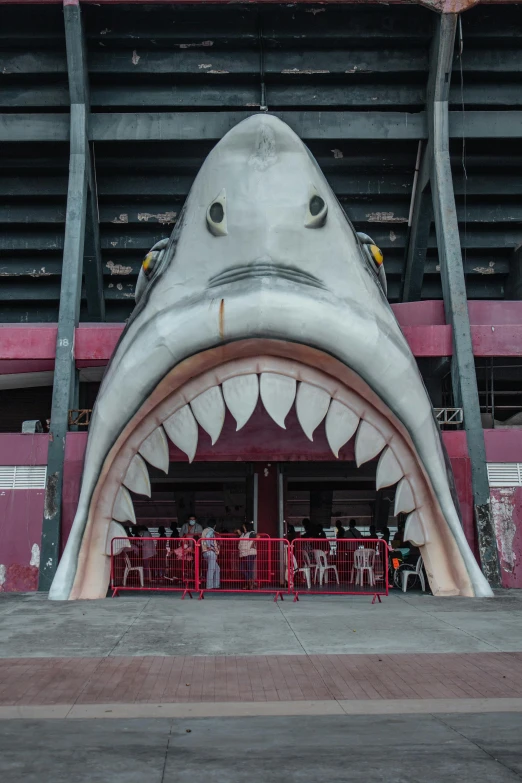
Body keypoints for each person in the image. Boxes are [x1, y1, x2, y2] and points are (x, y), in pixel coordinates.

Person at [237, 521, 258, 589]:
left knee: (249, 569)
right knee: (242, 569)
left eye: (244, 527)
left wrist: (252, 544)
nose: (244, 528)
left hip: (249, 553)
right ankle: (250, 582)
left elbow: (258, 536)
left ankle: (249, 583)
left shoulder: (251, 533)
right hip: (244, 553)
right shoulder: (243, 534)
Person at [201, 519, 220, 589]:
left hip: (205, 552)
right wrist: (210, 547)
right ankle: (209, 586)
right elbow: (208, 537)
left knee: (217, 568)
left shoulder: (204, 530)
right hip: (210, 551)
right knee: (211, 569)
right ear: (214, 526)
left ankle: (216, 585)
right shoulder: (211, 531)